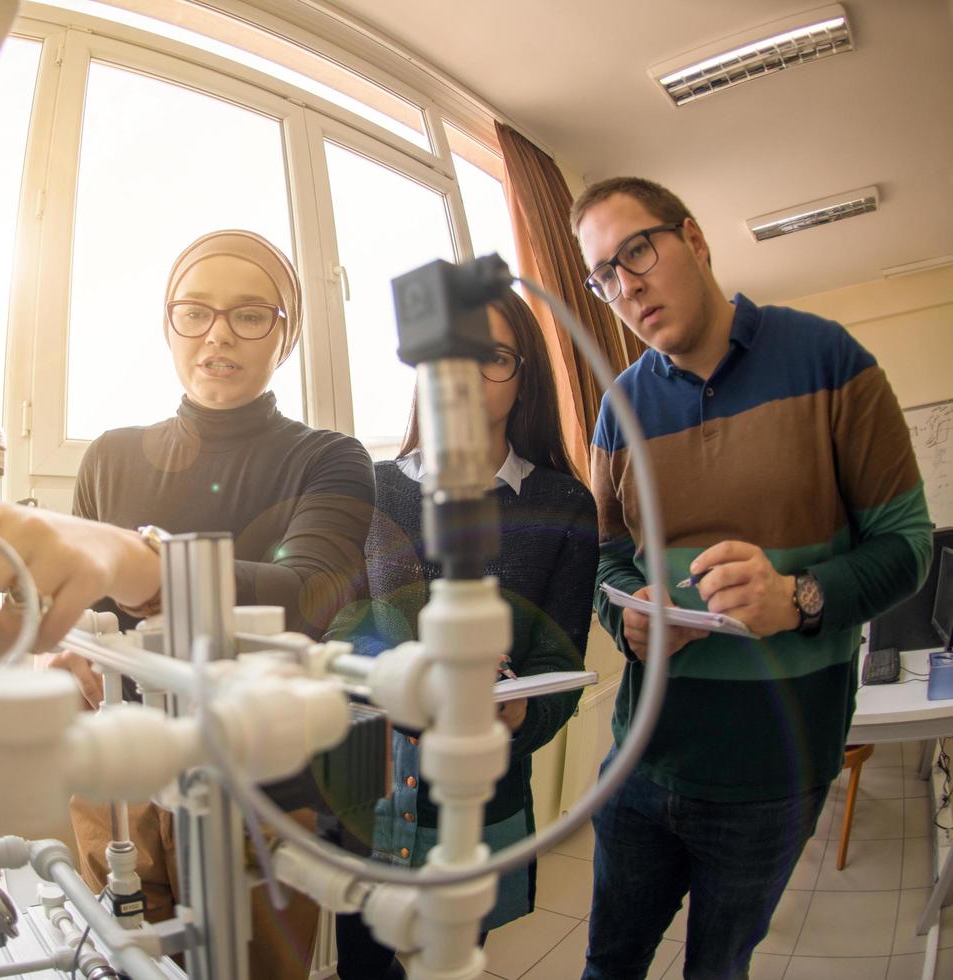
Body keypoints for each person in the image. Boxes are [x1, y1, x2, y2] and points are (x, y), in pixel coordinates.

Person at [0, 229, 375, 980]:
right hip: (117, 772)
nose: (218, 333)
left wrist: (145, 562)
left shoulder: (326, 458)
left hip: (260, 784)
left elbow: (309, 594)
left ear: (286, 334)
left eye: (250, 314)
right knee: (131, 964)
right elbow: (67, 606)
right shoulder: (112, 454)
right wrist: (52, 652)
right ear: (168, 325)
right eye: (194, 311)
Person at [571, 176, 934, 978]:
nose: (626, 285)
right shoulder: (616, 409)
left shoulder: (829, 358)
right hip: (642, 759)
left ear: (693, 240)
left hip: (774, 773)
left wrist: (798, 598)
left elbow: (910, 546)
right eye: (604, 275)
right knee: (608, 965)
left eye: (639, 250)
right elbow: (605, 558)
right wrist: (623, 616)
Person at [334, 289, 598, 978]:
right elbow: (339, 628)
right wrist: (394, 676)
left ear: (524, 378)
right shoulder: (371, 487)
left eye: (493, 356)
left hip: (485, 786)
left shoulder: (562, 503)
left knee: (459, 954)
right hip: (374, 782)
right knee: (369, 958)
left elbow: (560, 661)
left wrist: (519, 709)